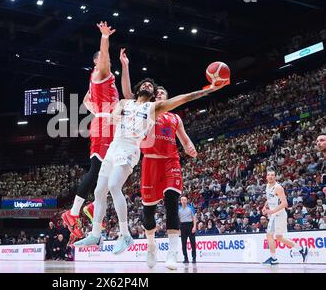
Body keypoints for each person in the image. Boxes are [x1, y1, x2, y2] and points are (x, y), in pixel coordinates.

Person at [75, 72, 227, 254]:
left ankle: (125, 235)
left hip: (130, 148)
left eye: (151, 86)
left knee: (114, 186)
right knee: (99, 191)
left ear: (153, 93)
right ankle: (95, 233)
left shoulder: (153, 108)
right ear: (138, 89)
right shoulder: (125, 103)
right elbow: (111, 114)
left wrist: (208, 90)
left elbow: (183, 98)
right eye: (144, 84)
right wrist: (110, 110)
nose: (147, 86)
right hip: (113, 147)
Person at [61, 22, 133, 238]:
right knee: (97, 168)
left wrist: (125, 65)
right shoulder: (100, 73)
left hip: (110, 125)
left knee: (114, 173)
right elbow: (103, 56)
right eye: (105, 59)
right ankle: (73, 213)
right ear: (97, 61)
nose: (108, 62)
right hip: (104, 126)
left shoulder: (103, 81)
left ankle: (91, 206)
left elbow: (124, 97)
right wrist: (104, 37)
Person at [135, 82, 197, 269]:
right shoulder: (147, 112)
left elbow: (184, 139)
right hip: (150, 162)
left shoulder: (175, 118)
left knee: (171, 202)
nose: (160, 94)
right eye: (158, 93)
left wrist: (189, 146)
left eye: (163, 93)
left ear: (168, 98)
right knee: (148, 214)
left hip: (171, 161)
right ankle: (151, 245)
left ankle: (172, 253)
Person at [262, 167, 308, 265]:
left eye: (272, 175)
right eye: (269, 175)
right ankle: (301, 249)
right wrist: (264, 206)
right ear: (266, 177)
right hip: (274, 214)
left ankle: (274, 259)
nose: (270, 177)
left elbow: (285, 203)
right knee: (278, 237)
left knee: (269, 235)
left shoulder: (278, 187)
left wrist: (271, 211)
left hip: (279, 214)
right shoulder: (267, 186)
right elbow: (269, 199)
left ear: (275, 177)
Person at [178, 196, 197, 264]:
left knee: (193, 243)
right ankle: (185, 258)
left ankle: (194, 258)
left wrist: (194, 227)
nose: (183, 201)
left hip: (190, 225)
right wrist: (179, 229)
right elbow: (178, 220)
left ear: (187, 201)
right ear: (180, 201)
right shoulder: (179, 209)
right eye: (182, 200)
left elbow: (194, 218)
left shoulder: (190, 208)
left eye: (185, 200)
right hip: (182, 226)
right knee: (183, 244)